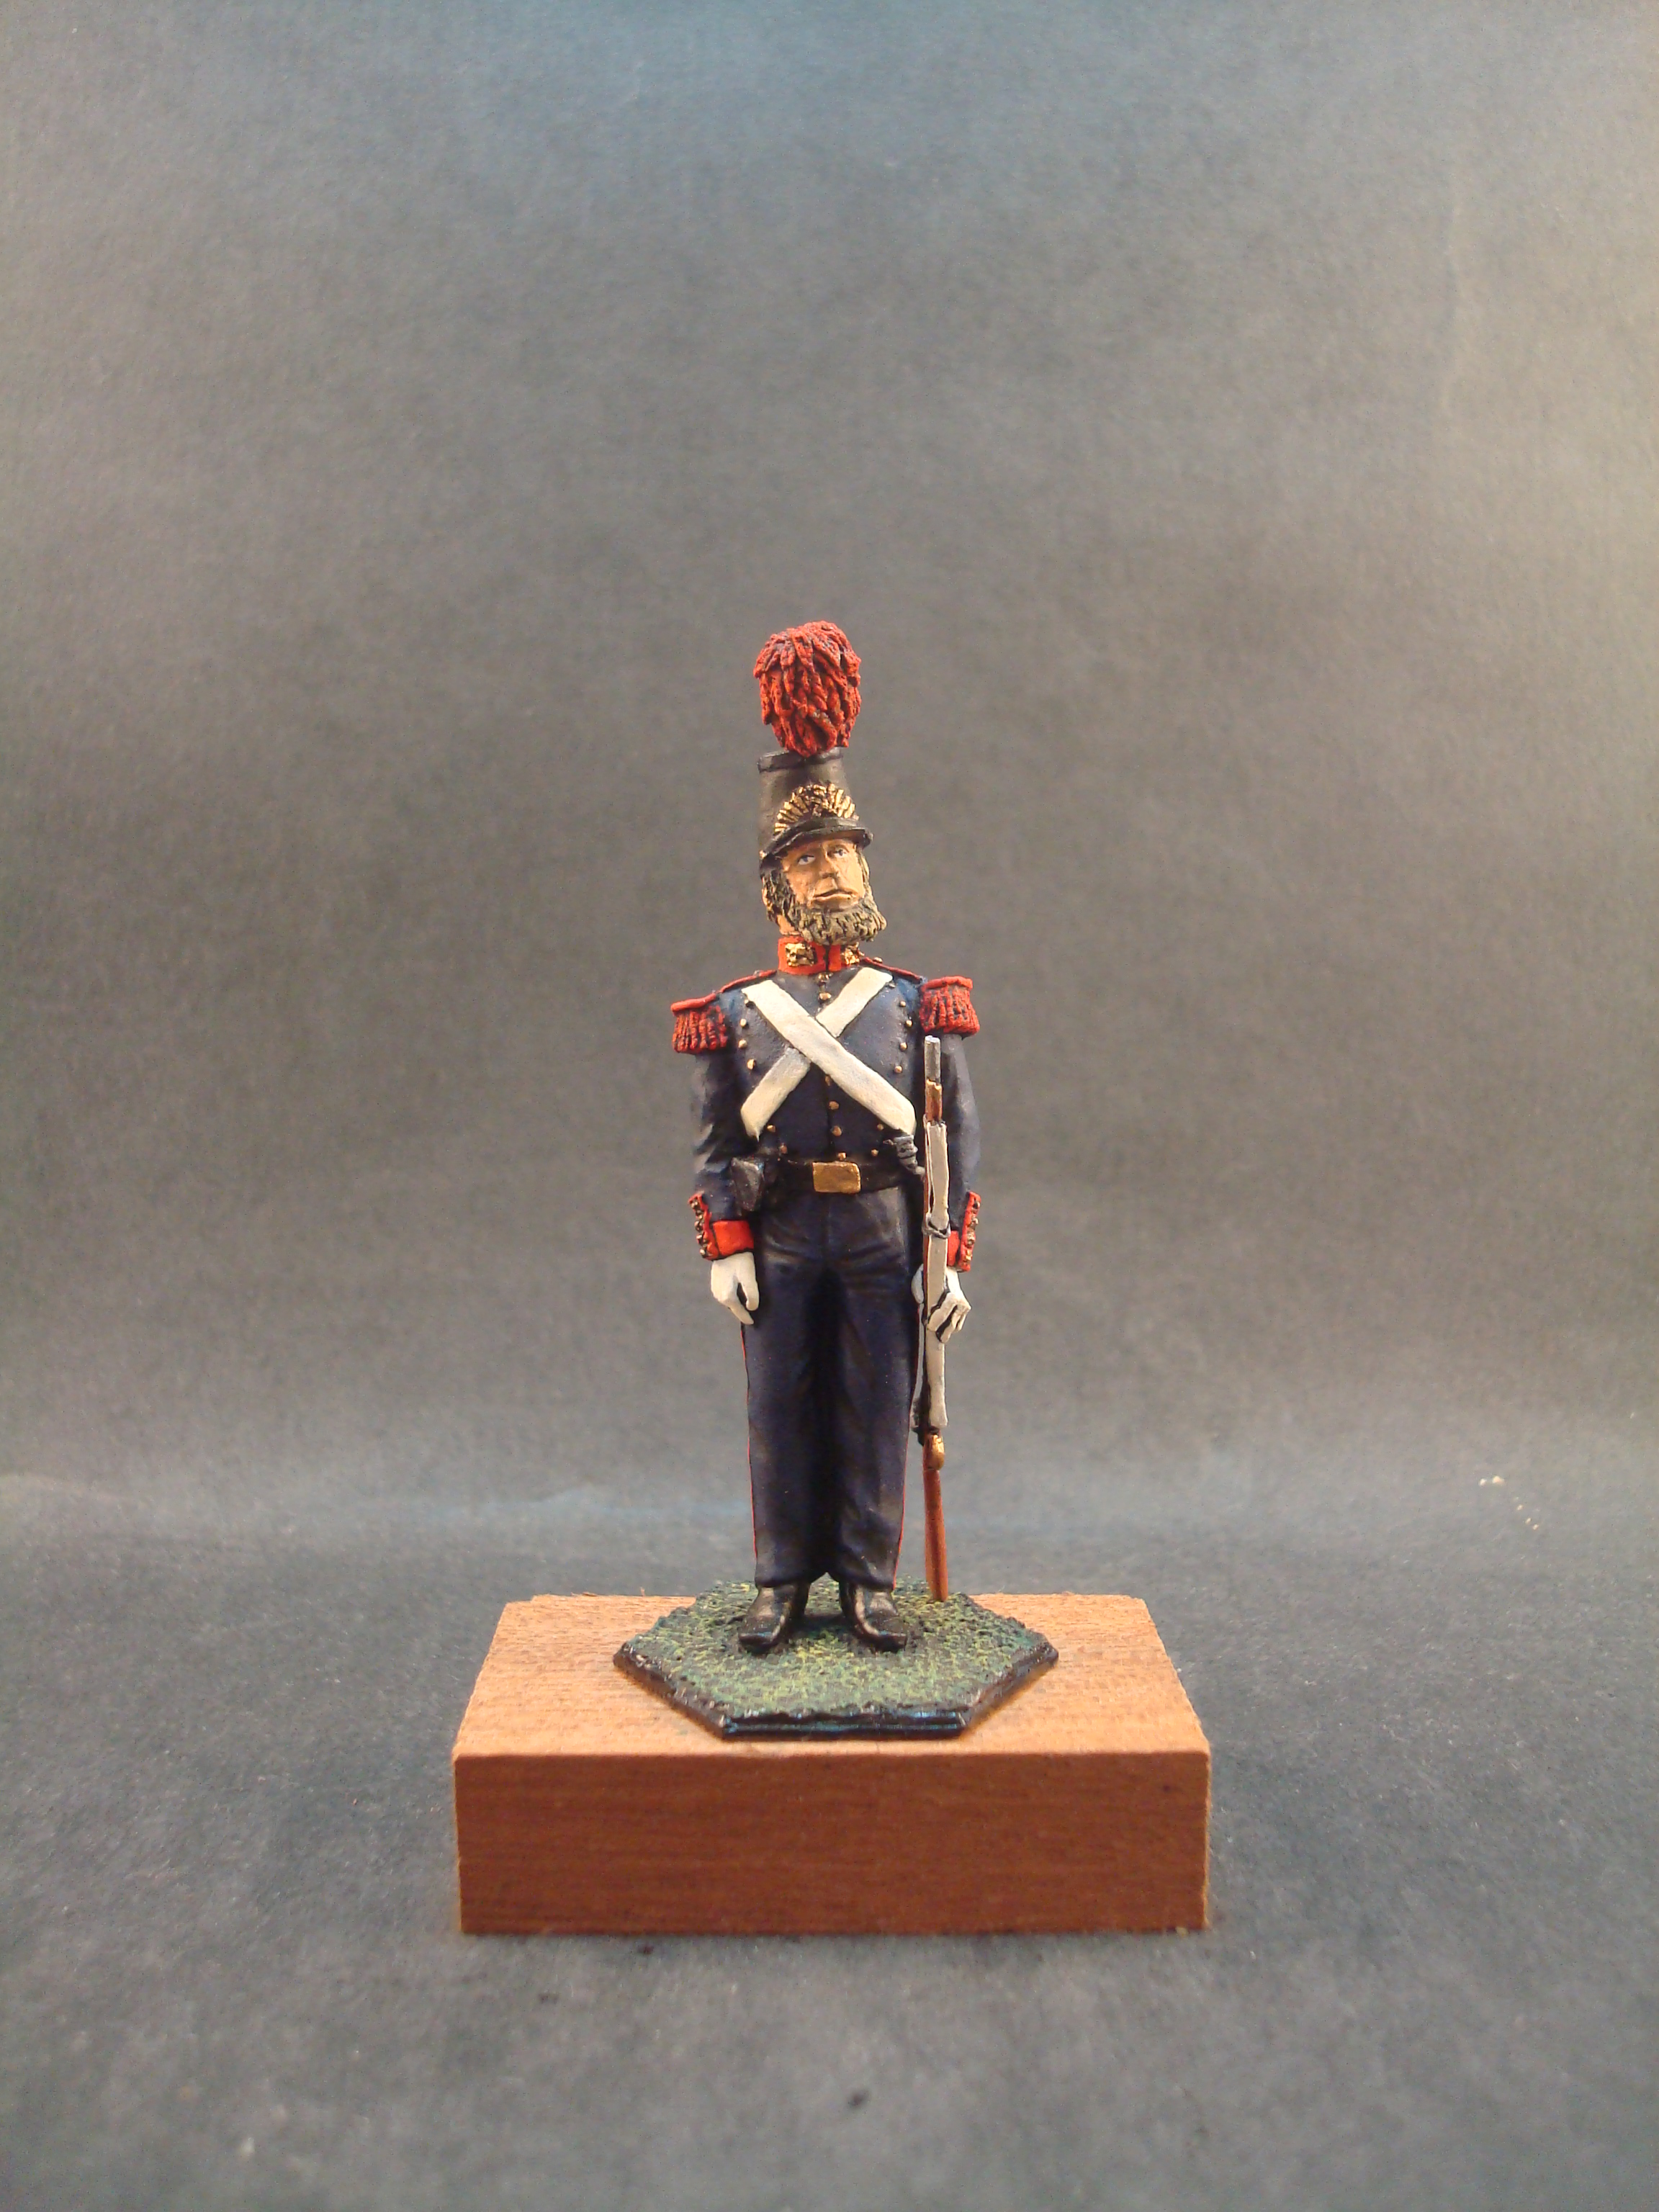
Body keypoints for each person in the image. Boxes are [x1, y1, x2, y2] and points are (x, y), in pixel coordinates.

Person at [671, 621, 981, 1653]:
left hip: (888, 1228)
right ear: (779, 885)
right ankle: (779, 1582)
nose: (835, 873)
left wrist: (949, 1259)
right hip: (787, 1231)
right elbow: (716, 1143)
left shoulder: (915, 1006)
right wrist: (727, 1246)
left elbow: (957, 1140)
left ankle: (867, 1581)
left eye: (844, 852)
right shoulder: (739, 1014)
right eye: (810, 858)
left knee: (876, 1404)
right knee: (779, 1407)